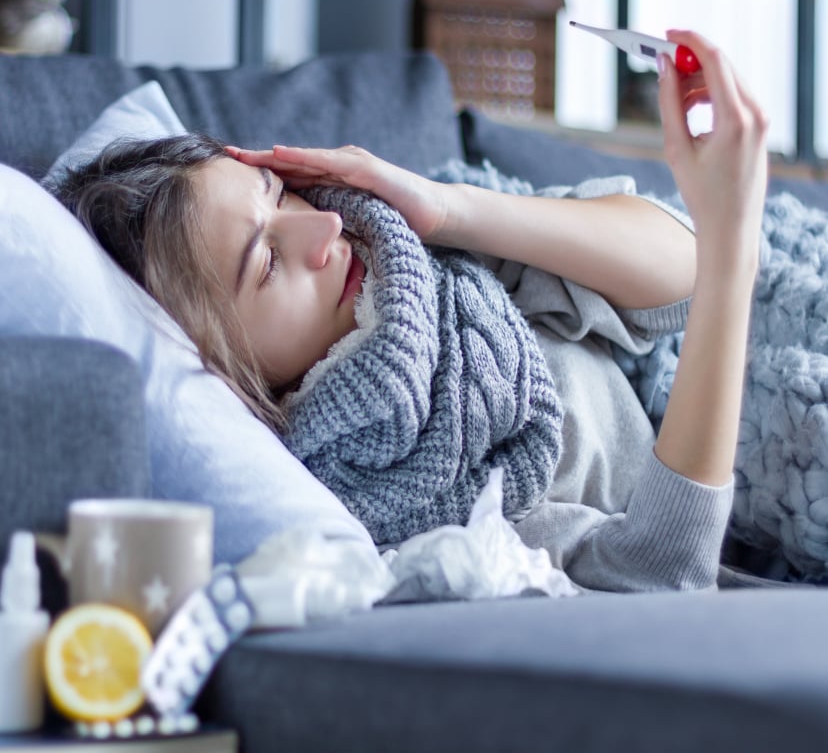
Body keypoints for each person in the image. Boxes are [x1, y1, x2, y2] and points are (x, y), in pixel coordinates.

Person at [55, 30, 769, 592]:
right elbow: (661, 576)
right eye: (266, 262)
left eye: (278, 194)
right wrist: (732, 242)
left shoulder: (413, 244)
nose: (323, 230)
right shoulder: (402, 499)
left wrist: (451, 211)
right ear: (214, 361)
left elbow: (682, 272)